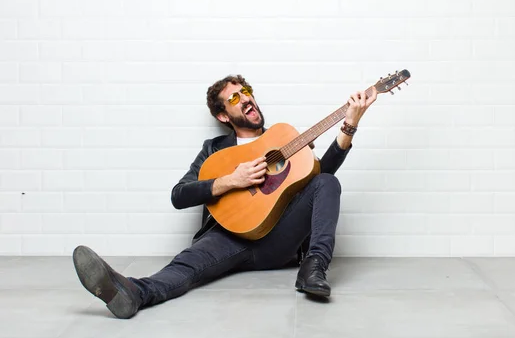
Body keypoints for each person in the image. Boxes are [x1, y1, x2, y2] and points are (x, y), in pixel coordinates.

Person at [72, 74, 377, 319]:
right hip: (227, 235)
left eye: (246, 91)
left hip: (276, 239)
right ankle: (132, 293)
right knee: (185, 268)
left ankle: (313, 270)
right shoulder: (214, 150)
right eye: (234, 97)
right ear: (222, 114)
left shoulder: (283, 139)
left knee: (326, 181)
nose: (246, 98)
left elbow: (321, 177)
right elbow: (179, 195)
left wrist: (349, 124)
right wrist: (231, 180)